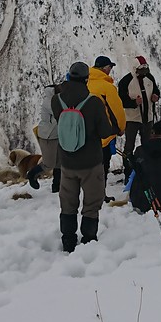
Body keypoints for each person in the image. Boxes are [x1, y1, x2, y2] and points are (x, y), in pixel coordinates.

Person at [52, 61, 116, 252]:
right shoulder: (94, 102)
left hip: (67, 162)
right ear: (87, 79)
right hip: (91, 163)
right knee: (91, 204)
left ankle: (68, 242)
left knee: (68, 204)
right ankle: (88, 242)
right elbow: (105, 132)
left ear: (69, 76)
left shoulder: (57, 101)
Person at [118, 55, 161, 182]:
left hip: (147, 118)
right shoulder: (126, 81)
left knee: (147, 145)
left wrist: (155, 96)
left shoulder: (149, 78)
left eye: (145, 68)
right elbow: (121, 99)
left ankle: (148, 169)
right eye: (141, 69)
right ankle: (128, 172)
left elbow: (156, 91)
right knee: (129, 146)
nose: (144, 71)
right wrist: (133, 103)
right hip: (132, 119)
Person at [88, 55, 126, 177]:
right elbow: (117, 111)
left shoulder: (85, 84)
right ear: (105, 68)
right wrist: (120, 128)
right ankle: (100, 195)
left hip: (85, 136)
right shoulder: (107, 87)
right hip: (103, 136)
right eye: (110, 67)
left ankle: (89, 194)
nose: (110, 70)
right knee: (103, 167)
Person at [33, 77, 65, 193]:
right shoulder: (50, 101)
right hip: (48, 135)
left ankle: (57, 186)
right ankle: (32, 174)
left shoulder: (55, 98)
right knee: (49, 163)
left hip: (56, 133)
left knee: (59, 162)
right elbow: (59, 113)